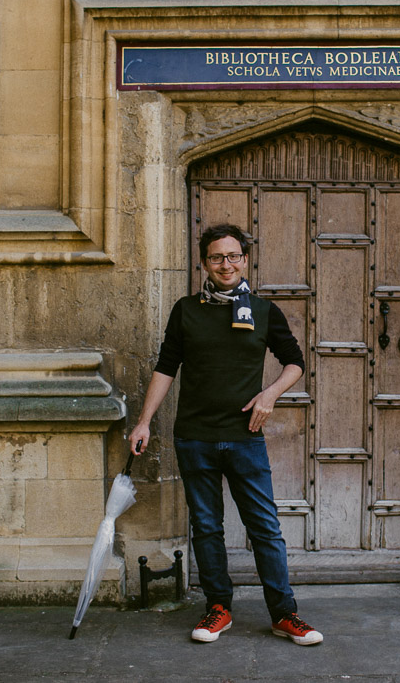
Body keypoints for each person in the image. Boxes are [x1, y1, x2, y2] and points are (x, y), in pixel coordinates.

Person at [127, 223, 323, 646]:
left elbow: (294, 362)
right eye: (217, 257)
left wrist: (270, 394)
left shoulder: (264, 310)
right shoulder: (186, 310)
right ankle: (218, 607)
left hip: (244, 436)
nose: (226, 264)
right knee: (206, 526)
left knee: (265, 527)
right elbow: (166, 367)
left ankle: (285, 615)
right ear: (204, 263)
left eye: (233, 256)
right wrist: (143, 421)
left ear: (245, 260)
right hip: (194, 436)